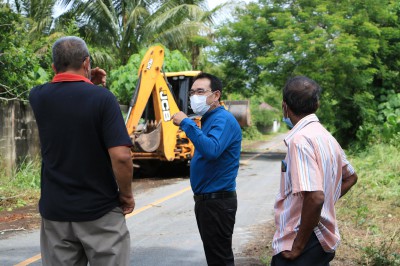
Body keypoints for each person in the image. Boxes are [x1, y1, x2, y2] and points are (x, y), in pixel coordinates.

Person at [29, 36, 135, 265]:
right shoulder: (103, 99)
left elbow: (61, 93)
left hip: (56, 213)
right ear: (87, 63)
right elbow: (122, 156)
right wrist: (126, 195)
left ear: (54, 66)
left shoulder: (37, 96)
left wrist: (86, 80)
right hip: (100, 212)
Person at [271, 76, 358, 265]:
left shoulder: (300, 141)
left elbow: (315, 197)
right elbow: (350, 177)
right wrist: (326, 206)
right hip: (320, 241)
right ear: (317, 104)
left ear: (284, 106)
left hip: (302, 239)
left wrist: (298, 247)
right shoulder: (326, 136)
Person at [172, 72, 242, 266]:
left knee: (220, 259)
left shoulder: (223, 119)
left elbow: (211, 149)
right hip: (208, 202)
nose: (195, 96)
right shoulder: (208, 119)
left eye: (201, 91)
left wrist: (186, 123)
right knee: (216, 258)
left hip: (217, 202)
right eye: (193, 92)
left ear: (216, 95)